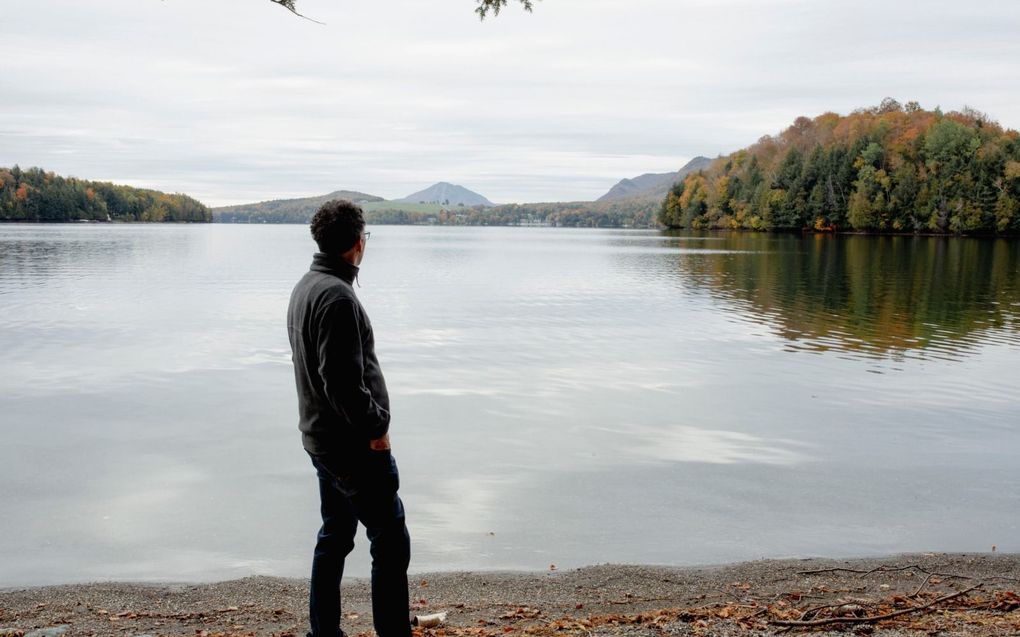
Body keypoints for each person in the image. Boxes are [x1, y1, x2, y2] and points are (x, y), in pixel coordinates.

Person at [287, 199, 411, 637]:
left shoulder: (308, 284)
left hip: (321, 439)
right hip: (350, 446)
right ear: (358, 243)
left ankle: (324, 632)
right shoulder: (336, 296)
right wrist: (377, 428)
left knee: (336, 535)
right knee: (391, 541)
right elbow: (340, 382)